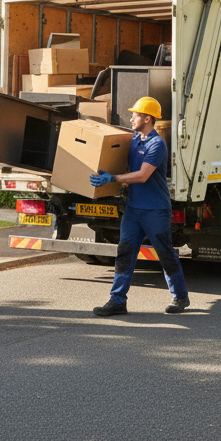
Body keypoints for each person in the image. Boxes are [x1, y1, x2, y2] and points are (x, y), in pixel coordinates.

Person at [90, 97, 189, 316]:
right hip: (134, 209)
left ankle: (180, 296)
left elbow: (143, 175)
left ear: (147, 119)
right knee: (125, 252)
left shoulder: (157, 144)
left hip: (155, 210)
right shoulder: (134, 139)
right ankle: (117, 300)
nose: (131, 118)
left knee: (164, 253)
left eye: (135, 115)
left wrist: (112, 178)